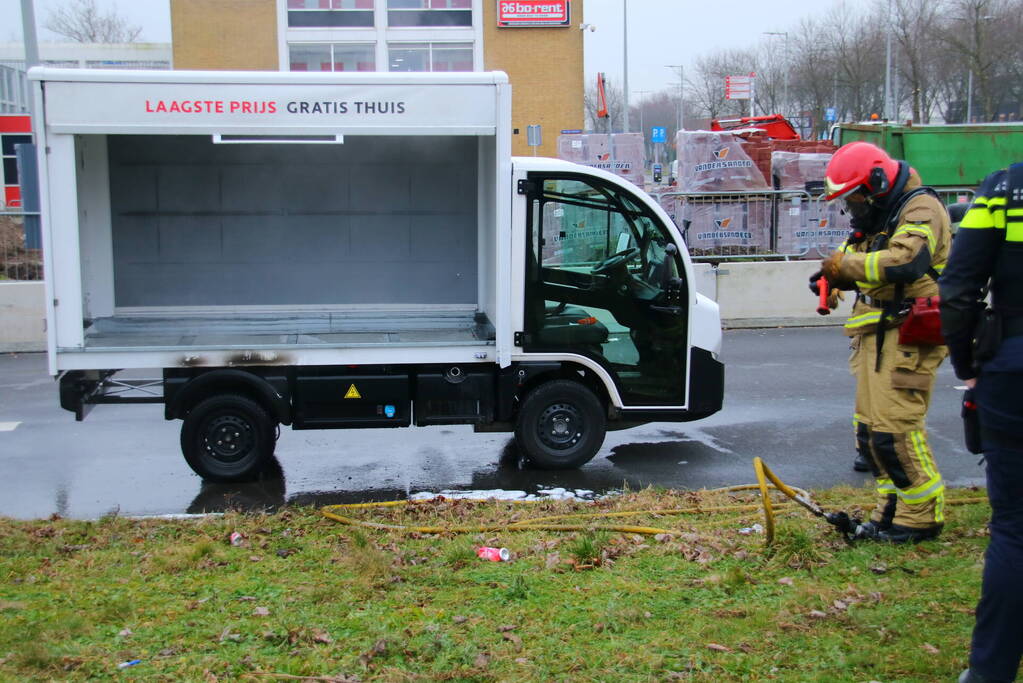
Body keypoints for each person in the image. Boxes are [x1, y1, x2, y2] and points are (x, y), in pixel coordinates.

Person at [810, 141, 951, 543]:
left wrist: (842, 268)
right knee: (871, 434)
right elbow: (851, 254)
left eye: (853, 197)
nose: (851, 206)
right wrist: (831, 279)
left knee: (896, 429)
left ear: (875, 182)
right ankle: (890, 511)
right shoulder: (879, 215)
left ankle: (922, 516)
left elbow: (904, 261)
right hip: (878, 333)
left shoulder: (920, 209)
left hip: (909, 335)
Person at [940, 163, 1023, 683]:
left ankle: (990, 671)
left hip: (1014, 366)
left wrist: (969, 365)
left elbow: (960, 284)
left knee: (1015, 528)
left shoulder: (1007, 187)